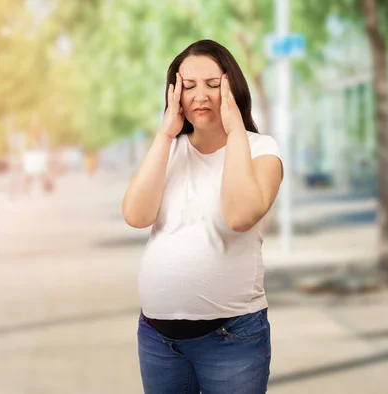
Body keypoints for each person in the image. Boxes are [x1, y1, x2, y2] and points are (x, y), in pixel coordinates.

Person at [121, 39, 283, 394]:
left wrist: (235, 128)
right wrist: (165, 133)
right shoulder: (169, 150)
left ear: (232, 87)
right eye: (188, 86)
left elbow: (240, 215)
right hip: (158, 340)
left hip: (230, 339)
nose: (200, 96)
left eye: (213, 85)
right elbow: (135, 214)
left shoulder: (261, 150)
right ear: (173, 94)